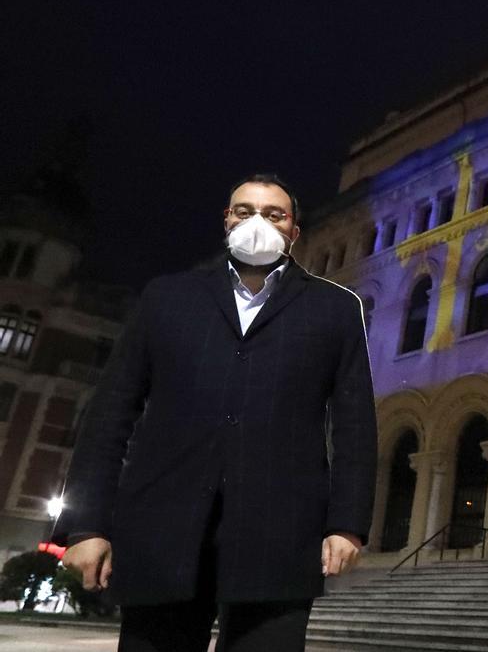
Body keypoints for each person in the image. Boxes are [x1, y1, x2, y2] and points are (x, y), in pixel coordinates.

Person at [53, 174, 378, 651]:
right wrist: (87, 525)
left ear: (295, 232)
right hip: (163, 528)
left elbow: (355, 425)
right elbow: (110, 414)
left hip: (281, 538)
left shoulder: (336, 309)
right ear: (226, 221)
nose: (257, 222)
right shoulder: (167, 298)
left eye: (274, 214)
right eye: (243, 211)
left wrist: (346, 523)